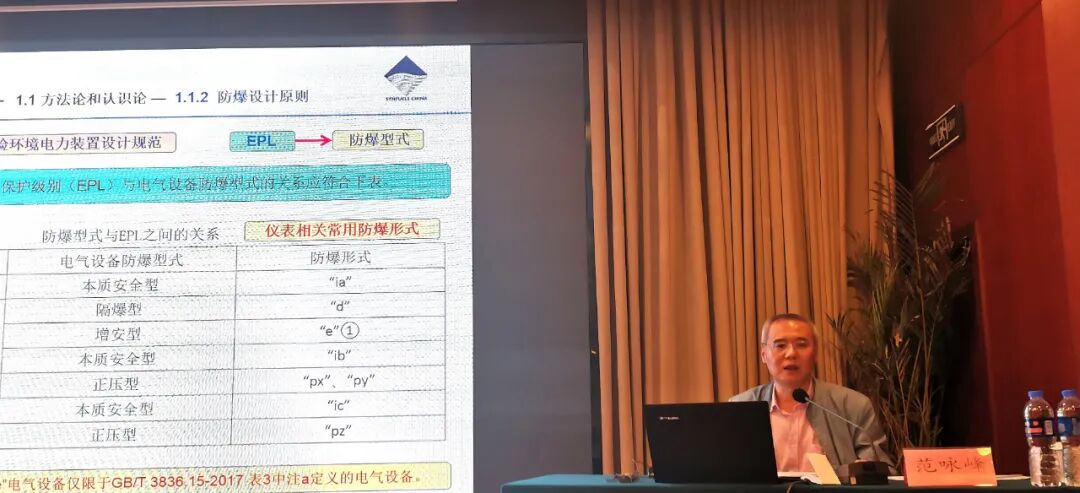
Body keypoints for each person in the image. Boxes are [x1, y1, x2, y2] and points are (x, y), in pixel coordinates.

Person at [729, 313, 893, 473]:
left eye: (801, 344)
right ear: (764, 354)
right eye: (780, 345)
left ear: (815, 353)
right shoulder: (739, 408)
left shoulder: (853, 406)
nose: (791, 353)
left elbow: (882, 472)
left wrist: (855, 472)